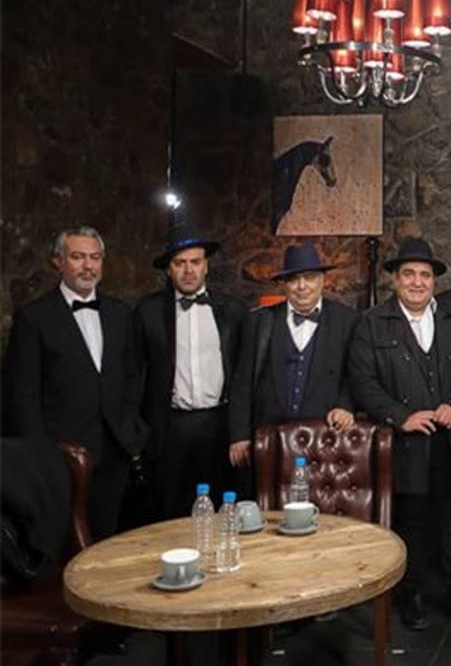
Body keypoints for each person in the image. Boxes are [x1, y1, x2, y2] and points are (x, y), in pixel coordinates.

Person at [349, 237, 451, 633]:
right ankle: (411, 595)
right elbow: (362, 381)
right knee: (412, 523)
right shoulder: (372, 323)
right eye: (408, 274)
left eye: (424, 275)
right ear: (395, 279)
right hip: (406, 443)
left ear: (433, 281)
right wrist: (401, 416)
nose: (417, 282)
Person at [3, 226, 146, 539]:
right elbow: (21, 397)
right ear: (58, 261)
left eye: (95, 257)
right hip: (61, 456)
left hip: (116, 451)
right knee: (64, 544)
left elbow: (131, 377)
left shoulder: (120, 314)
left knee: (112, 539)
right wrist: (41, 456)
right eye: (78, 257)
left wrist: (132, 429)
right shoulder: (33, 318)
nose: (88, 266)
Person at [134, 223, 247, 519]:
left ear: (206, 266)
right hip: (169, 427)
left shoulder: (234, 311)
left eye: (195, 262)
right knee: (170, 510)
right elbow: (135, 375)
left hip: (220, 425)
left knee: (223, 507)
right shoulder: (148, 312)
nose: (188, 270)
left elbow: (244, 377)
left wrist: (240, 431)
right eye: (179, 263)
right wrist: (140, 435)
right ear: (168, 269)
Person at [226, 243, 358, 477]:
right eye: (294, 279)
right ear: (284, 284)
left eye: (310, 278)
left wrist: (346, 405)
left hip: (325, 438)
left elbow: (356, 373)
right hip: (269, 439)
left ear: (323, 280)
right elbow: (242, 382)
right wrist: (240, 435)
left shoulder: (347, 320)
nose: (302, 286)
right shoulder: (259, 322)